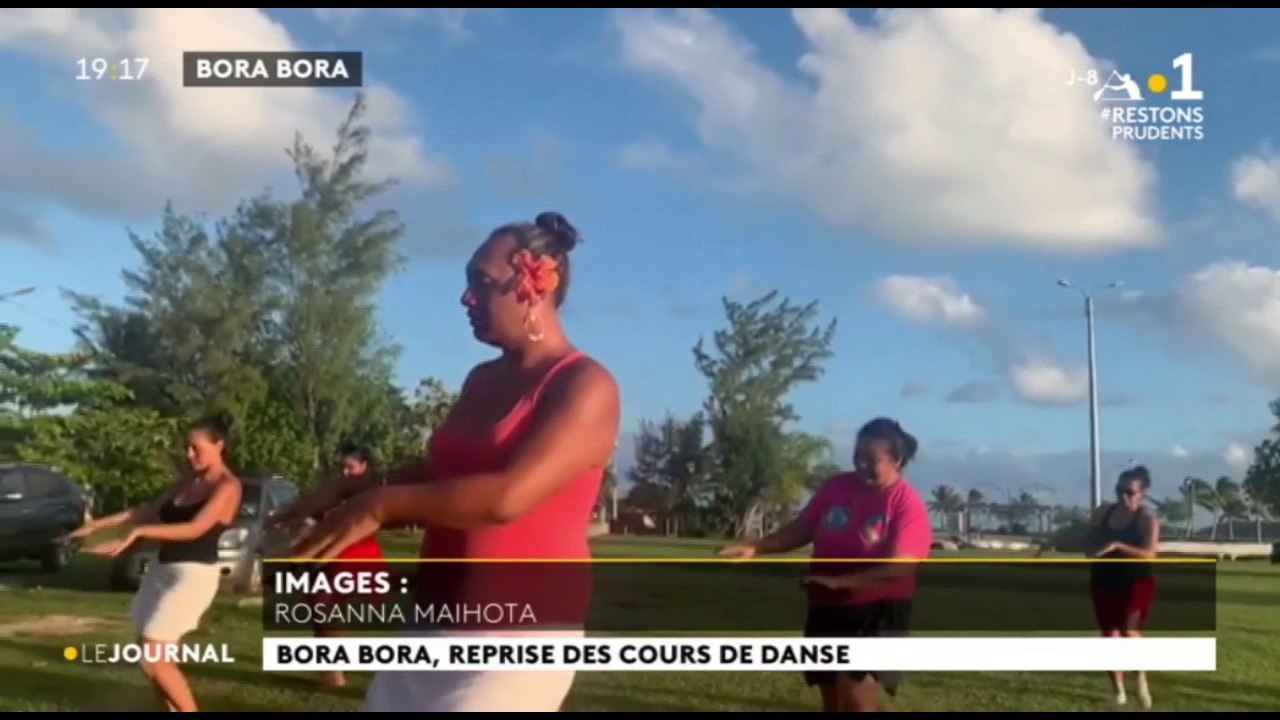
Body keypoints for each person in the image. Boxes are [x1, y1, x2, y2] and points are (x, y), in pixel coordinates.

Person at [273, 211, 620, 712]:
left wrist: (378, 505)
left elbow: (508, 496)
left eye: (481, 283)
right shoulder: (481, 379)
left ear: (535, 286)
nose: (465, 299)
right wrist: (349, 489)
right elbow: (447, 473)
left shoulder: (585, 386)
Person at [719, 418, 932, 712]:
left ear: (897, 461)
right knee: (830, 690)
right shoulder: (836, 486)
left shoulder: (906, 504)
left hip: (877, 610)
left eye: (872, 461)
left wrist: (842, 583)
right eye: (858, 457)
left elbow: (899, 568)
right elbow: (803, 528)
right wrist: (756, 547)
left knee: (855, 687)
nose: (861, 466)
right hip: (827, 604)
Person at [61, 415, 243, 712]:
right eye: (186, 447)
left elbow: (195, 528)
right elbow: (145, 511)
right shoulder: (188, 482)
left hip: (193, 576)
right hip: (163, 571)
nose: (189, 454)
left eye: (196, 448)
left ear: (219, 445)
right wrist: (95, 527)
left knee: (153, 658)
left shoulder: (228, 486)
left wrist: (141, 532)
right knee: (154, 662)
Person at [311, 444, 388, 689]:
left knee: (326, 604)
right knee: (319, 606)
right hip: (330, 551)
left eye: (350, 467)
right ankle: (330, 666)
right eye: (342, 467)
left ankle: (335, 669)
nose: (345, 472)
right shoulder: (335, 490)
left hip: (356, 553)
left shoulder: (372, 491)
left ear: (364, 467)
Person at [1087, 465, 1159, 709]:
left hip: (1136, 581)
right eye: (1119, 491)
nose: (1123, 497)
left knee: (1129, 633)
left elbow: (1150, 554)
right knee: (1110, 637)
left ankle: (1140, 678)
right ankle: (1118, 690)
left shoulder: (1146, 519)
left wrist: (1118, 546)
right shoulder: (1102, 513)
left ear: (1142, 493)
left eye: (1129, 492)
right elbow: (1089, 542)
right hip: (1104, 580)